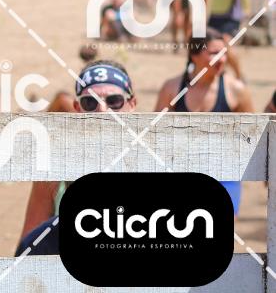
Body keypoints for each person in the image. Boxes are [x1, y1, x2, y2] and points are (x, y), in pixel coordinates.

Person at [17, 60, 137, 255]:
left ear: (132, 104)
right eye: (90, 103)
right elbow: (28, 250)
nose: (102, 110)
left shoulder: (155, 159)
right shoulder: (56, 165)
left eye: (114, 101)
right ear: (77, 108)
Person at [154, 28, 252, 214]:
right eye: (214, 53)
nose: (222, 59)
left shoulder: (236, 90)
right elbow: (156, 135)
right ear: (194, 55)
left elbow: (252, 135)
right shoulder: (172, 88)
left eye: (224, 53)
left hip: (224, 174)